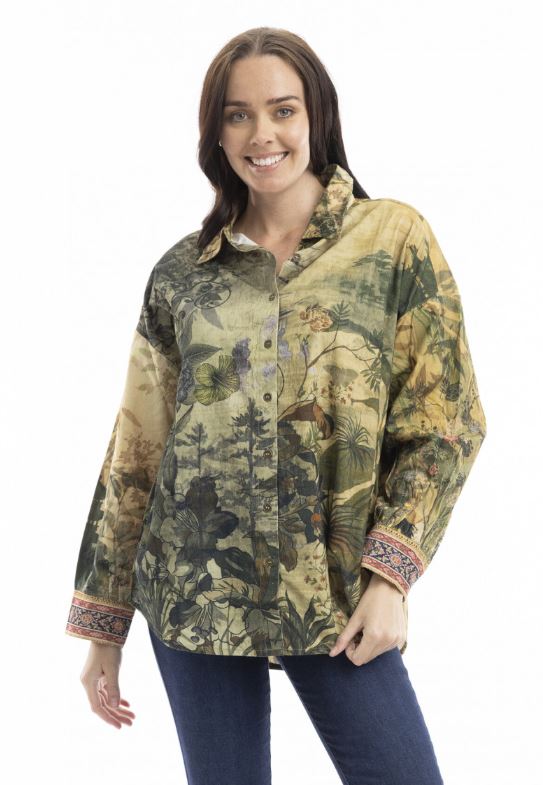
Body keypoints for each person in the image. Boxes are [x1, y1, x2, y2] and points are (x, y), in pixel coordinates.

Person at [65, 26, 487, 785]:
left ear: (316, 115)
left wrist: (391, 578)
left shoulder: (391, 239)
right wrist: (105, 623)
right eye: (238, 115)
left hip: (334, 591)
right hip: (194, 589)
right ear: (216, 133)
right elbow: (137, 448)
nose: (261, 134)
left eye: (282, 110)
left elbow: (446, 422)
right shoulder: (182, 274)